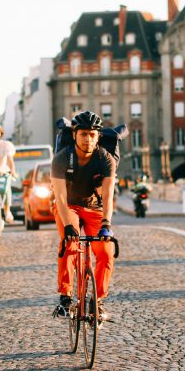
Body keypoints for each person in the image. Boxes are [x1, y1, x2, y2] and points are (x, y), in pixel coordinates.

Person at [51, 111, 116, 320]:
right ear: (74, 136)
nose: (88, 139)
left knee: (106, 252)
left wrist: (106, 224)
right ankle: (65, 297)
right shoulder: (61, 159)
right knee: (70, 244)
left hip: (95, 209)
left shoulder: (105, 159)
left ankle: (97, 301)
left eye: (92, 135)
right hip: (68, 206)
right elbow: (59, 197)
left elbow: (108, 196)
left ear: (98, 137)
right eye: (83, 134)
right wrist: (69, 226)